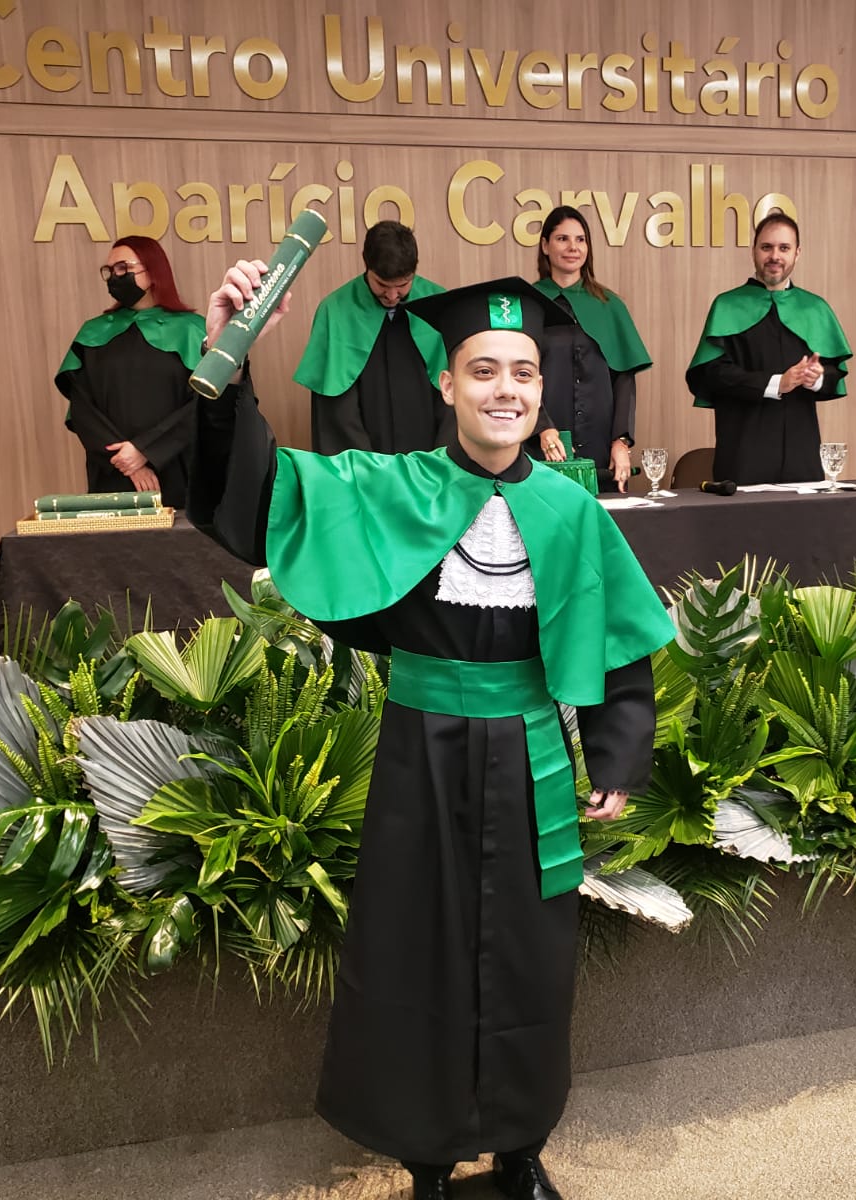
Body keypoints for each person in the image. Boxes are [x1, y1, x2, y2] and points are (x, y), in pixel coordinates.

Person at [189, 266, 674, 1200]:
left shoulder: (573, 508)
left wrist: (615, 753)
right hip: (421, 753)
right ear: (446, 384)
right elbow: (257, 496)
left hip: (531, 757)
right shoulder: (389, 486)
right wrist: (232, 355)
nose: (505, 390)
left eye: (523, 373)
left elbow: (616, 643)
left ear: (541, 388)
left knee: (531, 963)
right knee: (418, 955)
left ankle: (521, 1150)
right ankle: (429, 1163)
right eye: (483, 371)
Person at [685, 211, 853, 485]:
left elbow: (834, 371)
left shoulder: (815, 308)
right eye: (767, 247)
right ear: (754, 251)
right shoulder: (727, 306)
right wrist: (776, 383)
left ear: (797, 253)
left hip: (801, 455)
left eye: (784, 248)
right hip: (743, 454)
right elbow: (712, 374)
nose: (775, 256)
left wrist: (816, 378)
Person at [55, 236, 206, 506]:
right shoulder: (94, 333)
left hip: (180, 470)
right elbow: (82, 409)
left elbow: (204, 405)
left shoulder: (192, 330)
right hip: (113, 472)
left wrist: (145, 450)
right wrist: (130, 463)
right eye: (110, 270)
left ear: (153, 271)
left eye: (123, 268)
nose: (115, 276)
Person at [294, 220, 450, 454]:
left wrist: (439, 461)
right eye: (382, 284)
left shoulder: (439, 303)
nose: (392, 295)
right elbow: (337, 411)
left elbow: (453, 397)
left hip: (427, 456)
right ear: (366, 264)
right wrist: (366, 466)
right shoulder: (335, 311)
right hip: (364, 458)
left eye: (403, 285)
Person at [527, 206, 651, 493]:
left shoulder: (609, 305)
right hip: (541, 444)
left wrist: (621, 442)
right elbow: (519, 376)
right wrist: (542, 427)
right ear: (545, 246)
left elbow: (624, 380)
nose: (573, 247)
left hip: (601, 450)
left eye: (580, 240)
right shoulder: (529, 303)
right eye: (562, 239)